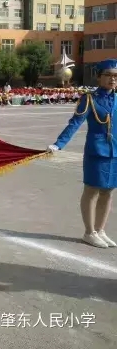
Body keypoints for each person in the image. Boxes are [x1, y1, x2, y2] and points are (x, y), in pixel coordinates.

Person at [48, 58, 117, 248]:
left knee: (108, 191)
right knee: (92, 190)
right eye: (108, 75)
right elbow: (75, 123)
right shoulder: (89, 99)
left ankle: (100, 230)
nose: (112, 79)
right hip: (97, 152)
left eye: (116, 76)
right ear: (99, 77)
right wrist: (58, 144)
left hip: (115, 152)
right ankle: (89, 232)